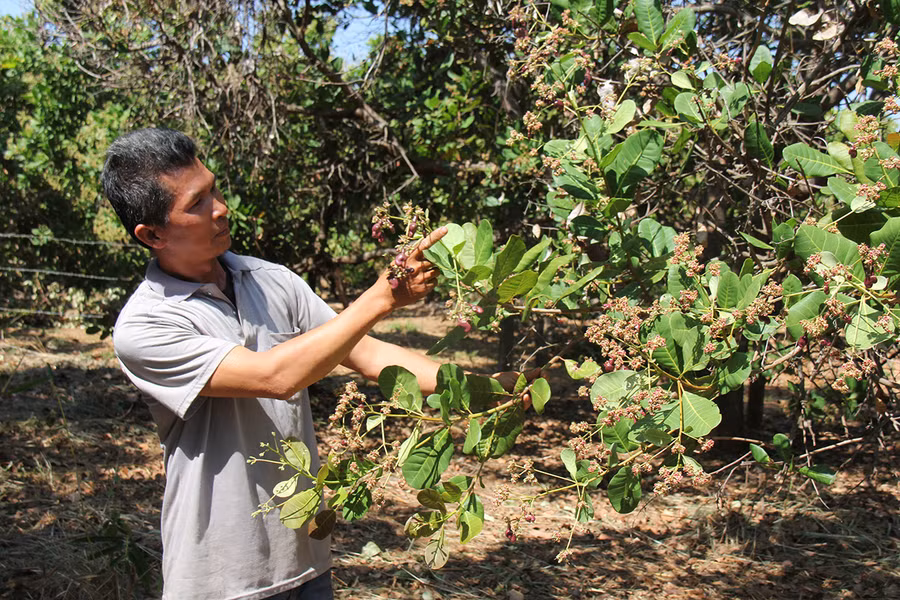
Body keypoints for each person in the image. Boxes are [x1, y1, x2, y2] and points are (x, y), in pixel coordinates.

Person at [102, 128, 513, 600]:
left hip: (305, 560)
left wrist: (486, 388)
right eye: (196, 203)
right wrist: (381, 298)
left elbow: (369, 354)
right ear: (152, 234)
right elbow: (274, 377)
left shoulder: (270, 280)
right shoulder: (146, 326)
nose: (220, 208)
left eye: (214, 189)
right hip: (221, 577)